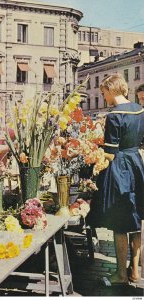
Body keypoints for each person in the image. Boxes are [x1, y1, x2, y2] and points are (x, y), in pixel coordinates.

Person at [86, 74, 144, 285]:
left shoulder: (114, 115)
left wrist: (94, 153)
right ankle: (135, 272)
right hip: (137, 164)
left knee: (120, 222)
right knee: (136, 219)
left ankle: (120, 274)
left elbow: (110, 152)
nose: (104, 97)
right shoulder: (140, 110)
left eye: (103, 93)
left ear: (111, 91)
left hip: (120, 167)